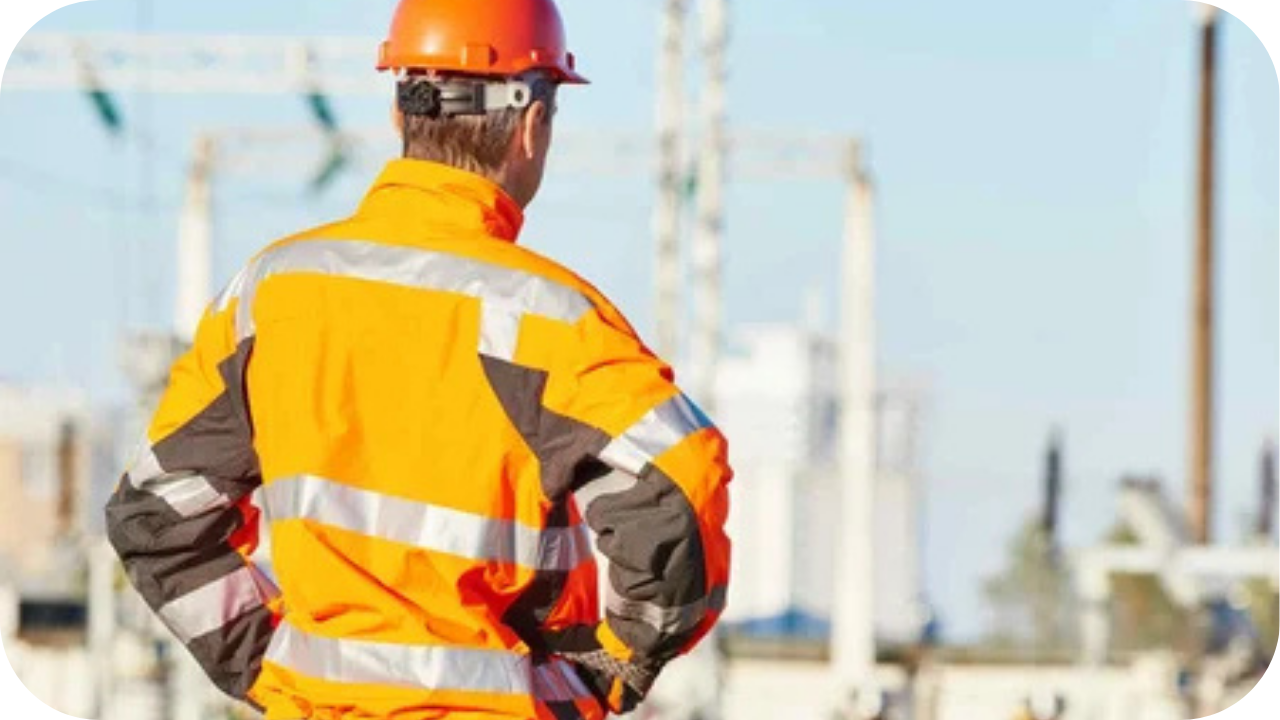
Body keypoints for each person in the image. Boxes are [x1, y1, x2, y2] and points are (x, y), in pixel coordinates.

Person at [103, 1, 733, 718]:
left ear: (401, 115)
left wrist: (267, 668)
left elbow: (157, 515)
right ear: (532, 125)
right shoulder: (551, 320)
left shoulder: (272, 293)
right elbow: (681, 479)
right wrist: (604, 673)